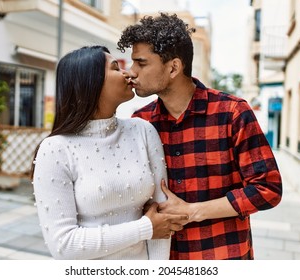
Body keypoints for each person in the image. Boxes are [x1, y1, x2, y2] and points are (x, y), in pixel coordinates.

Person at [117, 13, 283, 260]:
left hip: (223, 256)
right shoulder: (139, 122)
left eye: (141, 63)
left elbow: (268, 188)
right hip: (163, 257)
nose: (131, 72)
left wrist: (193, 211)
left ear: (173, 67)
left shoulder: (232, 113)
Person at [31, 45, 187, 260]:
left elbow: (162, 216)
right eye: (116, 67)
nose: (128, 73)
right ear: (91, 82)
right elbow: (64, 245)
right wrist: (145, 228)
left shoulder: (142, 130)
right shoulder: (56, 149)